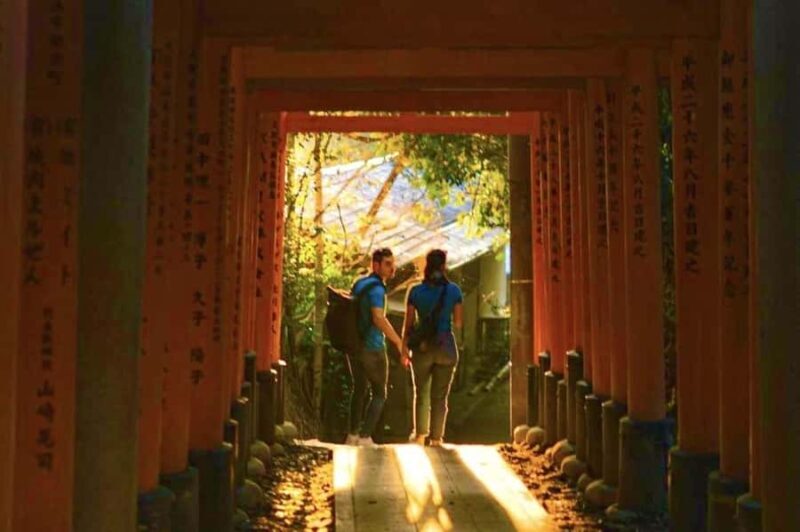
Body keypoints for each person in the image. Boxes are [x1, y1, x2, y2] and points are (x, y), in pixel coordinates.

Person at [345, 248, 409, 446]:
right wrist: (398, 342)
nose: (393, 268)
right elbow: (378, 318)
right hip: (373, 348)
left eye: (393, 263)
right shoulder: (377, 290)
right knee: (380, 393)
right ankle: (365, 436)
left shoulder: (359, 284)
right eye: (388, 264)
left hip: (354, 346)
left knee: (359, 389)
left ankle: (352, 435)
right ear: (376, 265)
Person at [402, 249, 463, 447]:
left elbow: (408, 323)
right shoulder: (453, 290)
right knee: (440, 397)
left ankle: (420, 436)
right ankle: (436, 439)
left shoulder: (415, 291)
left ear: (427, 266)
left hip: (422, 348)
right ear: (444, 266)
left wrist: (404, 348)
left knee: (421, 394)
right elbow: (459, 322)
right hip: (445, 346)